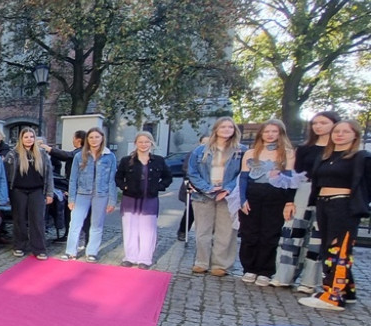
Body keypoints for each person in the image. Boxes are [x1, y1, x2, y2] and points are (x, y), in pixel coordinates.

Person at [299, 119, 369, 312]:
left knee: (339, 249)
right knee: (328, 247)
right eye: (337, 131)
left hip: (343, 205)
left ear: (355, 135)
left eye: (345, 132)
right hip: (323, 204)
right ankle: (347, 291)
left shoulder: (361, 157)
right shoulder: (326, 155)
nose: (339, 135)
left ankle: (334, 295)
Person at [271, 112, 340, 291]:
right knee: (291, 236)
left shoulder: (339, 149)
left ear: (335, 125)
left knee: (317, 239)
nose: (318, 126)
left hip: (325, 194)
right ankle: (284, 276)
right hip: (303, 191)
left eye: (323, 123)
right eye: (315, 123)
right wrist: (289, 201)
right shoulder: (305, 149)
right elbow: (294, 176)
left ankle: (309, 281)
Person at [238, 120, 296, 286]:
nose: (270, 134)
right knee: (250, 233)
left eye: (274, 131)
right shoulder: (250, 153)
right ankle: (249, 268)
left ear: (280, 134)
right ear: (261, 134)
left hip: (276, 196)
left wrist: (289, 201)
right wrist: (243, 199)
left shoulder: (287, 153)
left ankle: (265, 270)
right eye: (267, 131)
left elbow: (291, 179)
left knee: (269, 234)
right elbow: (243, 178)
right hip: (253, 195)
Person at [186, 117, 243, 276]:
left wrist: (227, 189)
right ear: (216, 129)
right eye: (223, 127)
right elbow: (192, 173)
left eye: (230, 127)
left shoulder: (241, 151)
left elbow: (242, 175)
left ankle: (220, 265)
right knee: (202, 232)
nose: (226, 130)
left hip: (228, 196)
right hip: (203, 195)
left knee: (225, 232)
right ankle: (202, 262)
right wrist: (208, 188)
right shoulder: (200, 150)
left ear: (234, 130)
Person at [115, 132, 173, 268]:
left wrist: (159, 187)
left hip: (149, 199)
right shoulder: (126, 160)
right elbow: (118, 177)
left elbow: (168, 177)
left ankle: (145, 259)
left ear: (151, 143)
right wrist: (124, 186)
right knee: (130, 228)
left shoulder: (159, 160)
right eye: (140, 142)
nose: (143, 144)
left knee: (147, 229)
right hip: (130, 198)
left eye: (147, 142)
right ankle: (130, 257)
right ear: (136, 143)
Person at [61, 128, 117, 262]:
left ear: (102, 138)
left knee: (96, 224)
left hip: (101, 194)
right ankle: (70, 251)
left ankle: (91, 252)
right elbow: (73, 178)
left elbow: (111, 180)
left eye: (97, 137)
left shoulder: (110, 156)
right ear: (87, 139)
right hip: (82, 194)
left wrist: (112, 200)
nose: (94, 140)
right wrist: (72, 199)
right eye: (91, 137)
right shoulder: (79, 156)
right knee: (75, 223)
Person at [5, 127, 54, 260]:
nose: (29, 139)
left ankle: (39, 249)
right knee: (19, 219)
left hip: (37, 191)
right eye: (26, 137)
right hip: (18, 191)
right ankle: (19, 246)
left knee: (37, 220)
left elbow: (49, 175)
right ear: (21, 139)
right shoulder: (13, 154)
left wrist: (50, 193)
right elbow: (6, 175)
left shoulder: (42, 154)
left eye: (31, 137)